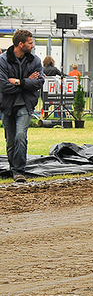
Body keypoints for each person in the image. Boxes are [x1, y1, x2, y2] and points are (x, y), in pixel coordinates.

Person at [0, 30, 45, 182]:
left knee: (21, 136)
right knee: (11, 141)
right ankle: (14, 169)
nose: (33, 46)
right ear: (21, 44)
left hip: (25, 104)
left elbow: (39, 82)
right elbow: (3, 85)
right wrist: (27, 82)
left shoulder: (35, 60)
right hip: (7, 105)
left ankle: (19, 171)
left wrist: (19, 81)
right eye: (30, 43)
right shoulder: (3, 60)